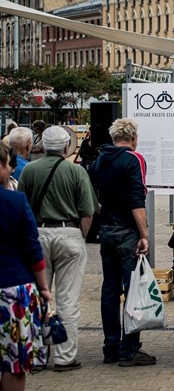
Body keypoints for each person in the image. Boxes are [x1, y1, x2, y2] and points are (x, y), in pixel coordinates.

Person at [17, 126, 96, 372]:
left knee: (39, 298)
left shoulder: (29, 170)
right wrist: (79, 236)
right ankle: (65, 357)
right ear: (66, 147)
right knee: (68, 300)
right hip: (69, 233)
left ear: (41, 146)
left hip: (38, 235)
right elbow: (87, 211)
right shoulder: (76, 171)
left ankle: (38, 356)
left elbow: (22, 207)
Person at [88, 118, 156, 367]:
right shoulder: (133, 159)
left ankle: (110, 347)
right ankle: (129, 349)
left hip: (107, 228)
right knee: (133, 291)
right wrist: (144, 234)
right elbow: (137, 199)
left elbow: (93, 188)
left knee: (110, 289)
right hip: (128, 231)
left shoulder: (99, 161)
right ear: (133, 137)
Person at [0, 141, 51, 390]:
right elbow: (33, 249)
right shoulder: (15, 202)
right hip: (13, 290)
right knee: (14, 364)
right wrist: (44, 288)